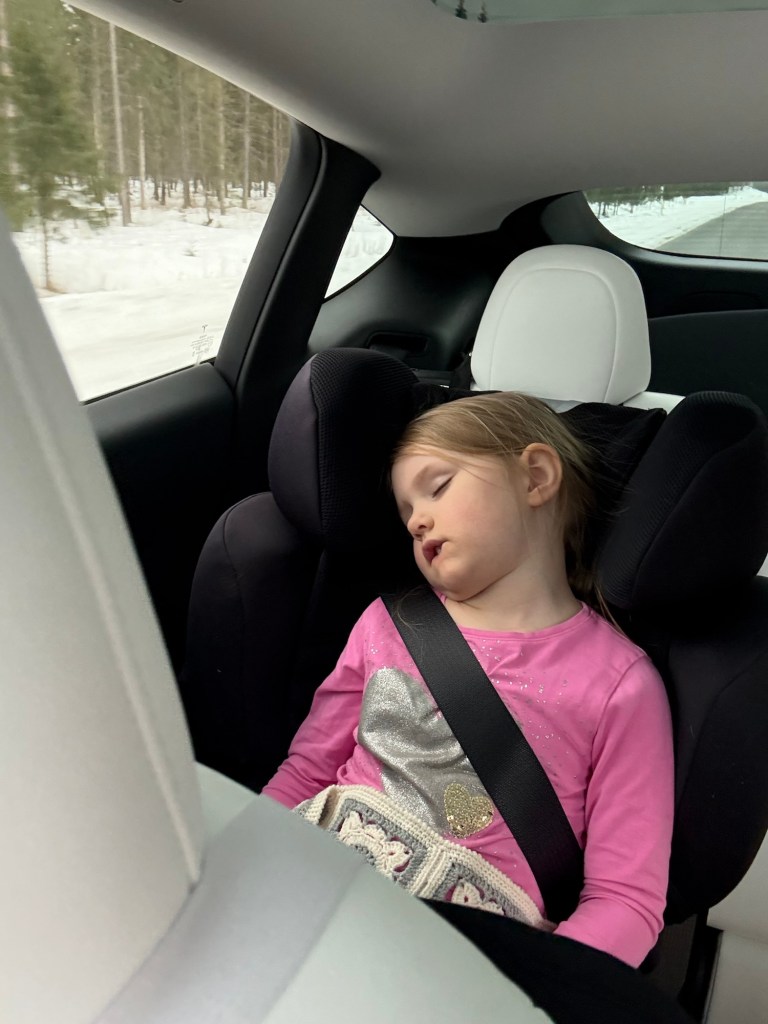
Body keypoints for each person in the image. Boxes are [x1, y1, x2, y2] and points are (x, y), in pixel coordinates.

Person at [263, 392, 674, 968]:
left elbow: (625, 901)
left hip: (463, 962)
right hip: (312, 895)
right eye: (406, 512)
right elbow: (307, 772)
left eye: (437, 487)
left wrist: (535, 988)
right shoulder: (387, 624)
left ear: (535, 476)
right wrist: (245, 855)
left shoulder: (621, 686)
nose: (417, 520)